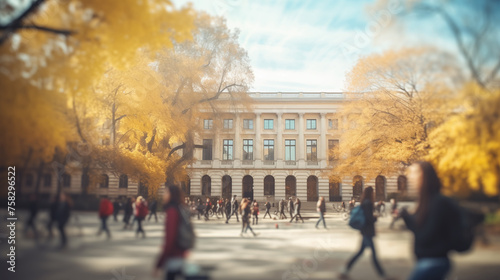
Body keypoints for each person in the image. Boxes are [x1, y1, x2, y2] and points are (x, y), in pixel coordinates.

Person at [400, 161, 458, 280]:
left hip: (433, 262)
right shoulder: (427, 201)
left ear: (425, 175)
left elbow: (425, 236)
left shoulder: (437, 203)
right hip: (430, 262)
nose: (410, 176)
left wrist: (407, 218)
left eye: (415, 172)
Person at [340, 187, 391, 280]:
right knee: (374, 255)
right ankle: (384, 275)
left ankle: (344, 271)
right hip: (367, 232)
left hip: (365, 231)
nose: (374, 194)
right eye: (373, 192)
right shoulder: (368, 203)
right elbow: (368, 219)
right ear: (370, 193)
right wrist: (375, 218)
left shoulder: (365, 202)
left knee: (360, 252)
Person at [154, 184, 189, 280]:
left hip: (174, 256)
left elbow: (170, 239)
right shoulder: (179, 208)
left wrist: (159, 264)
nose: (164, 195)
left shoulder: (172, 211)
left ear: (171, 195)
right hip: (179, 254)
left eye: (166, 192)